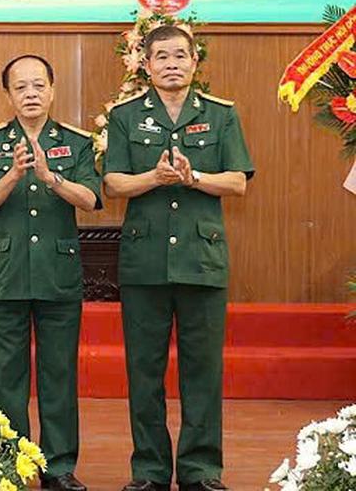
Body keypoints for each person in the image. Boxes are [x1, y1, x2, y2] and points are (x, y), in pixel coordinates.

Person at [103, 26, 252, 491]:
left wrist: (194, 178)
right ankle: (149, 470)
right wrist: (154, 176)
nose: (172, 64)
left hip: (201, 259)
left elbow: (237, 182)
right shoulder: (125, 116)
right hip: (144, 261)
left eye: (180, 56)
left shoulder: (221, 114)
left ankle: (201, 470)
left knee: (202, 371)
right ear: (146, 65)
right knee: (143, 371)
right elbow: (113, 183)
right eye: (162, 56)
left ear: (194, 62)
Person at [0, 55, 101, 491]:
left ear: (52, 90)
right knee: (6, 375)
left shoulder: (77, 142)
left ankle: (58, 466)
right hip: (5, 272)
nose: (31, 94)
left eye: (39, 85)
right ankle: (9, 463)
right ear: (8, 94)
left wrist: (51, 178)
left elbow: (90, 199)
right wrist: (12, 176)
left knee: (58, 373)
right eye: (21, 87)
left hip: (57, 273)